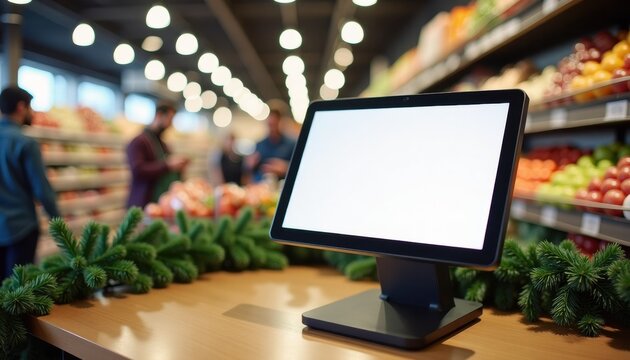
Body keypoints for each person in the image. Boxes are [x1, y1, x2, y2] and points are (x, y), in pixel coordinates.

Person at [0, 86, 59, 278]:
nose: (32, 113)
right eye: (30, 108)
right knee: (18, 291)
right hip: (21, 227)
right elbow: (41, 189)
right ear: (21, 107)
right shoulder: (26, 144)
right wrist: (57, 219)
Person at [126, 101, 189, 208]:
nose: (171, 125)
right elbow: (138, 170)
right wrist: (167, 165)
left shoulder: (163, 144)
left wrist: (178, 167)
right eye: (170, 119)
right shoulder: (139, 142)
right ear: (159, 115)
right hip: (142, 203)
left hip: (159, 202)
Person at [246, 108, 296, 183]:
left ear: (280, 122)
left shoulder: (291, 144)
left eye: (274, 125)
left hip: (282, 185)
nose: (272, 129)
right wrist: (250, 165)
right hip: (261, 185)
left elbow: (298, 167)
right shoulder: (260, 144)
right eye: (270, 125)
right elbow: (250, 170)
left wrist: (285, 168)